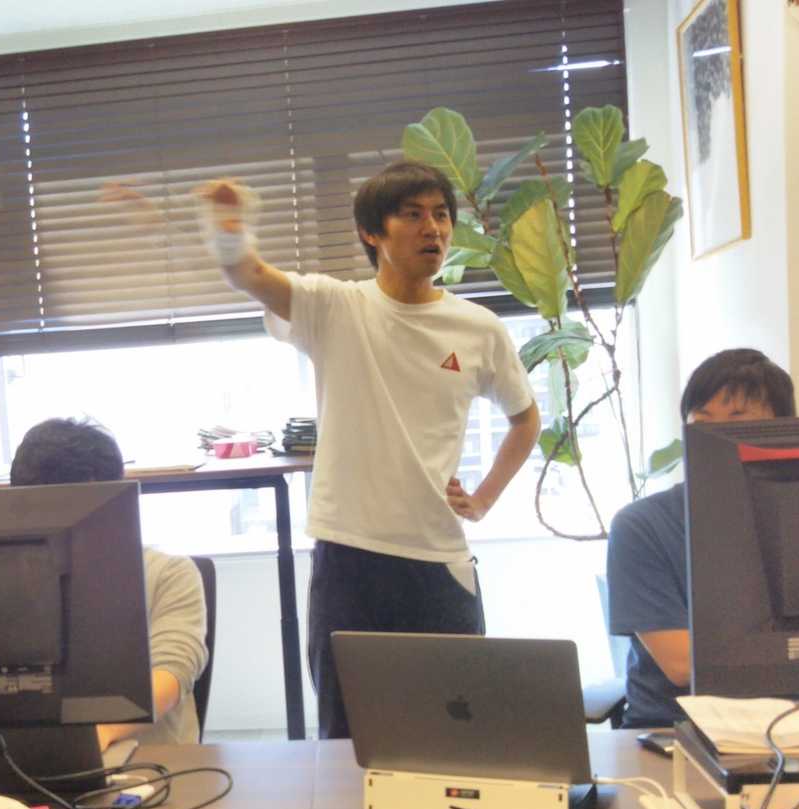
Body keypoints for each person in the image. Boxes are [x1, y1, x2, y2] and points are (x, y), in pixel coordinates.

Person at [197, 162, 541, 739]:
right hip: (350, 561)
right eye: (413, 215)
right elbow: (248, 273)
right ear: (372, 232)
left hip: (439, 560)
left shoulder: (478, 328)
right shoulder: (336, 307)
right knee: (347, 739)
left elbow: (525, 418)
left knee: (458, 739)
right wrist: (229, 227)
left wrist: (483, 499)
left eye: (441, 215)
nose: (433, 228)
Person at [606, 348, 799, 727]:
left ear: (783, 432)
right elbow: (681, 664)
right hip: (672, 732)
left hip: (788, 731)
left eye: (738, 422)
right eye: (701, 423)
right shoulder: (642, 525)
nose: (714, 439)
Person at [10, 417, 209, 745]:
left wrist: (97, 738)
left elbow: (173, 671)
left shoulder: (168, 573)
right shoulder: (3, 579)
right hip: (26, 758)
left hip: (150, 762)